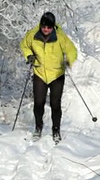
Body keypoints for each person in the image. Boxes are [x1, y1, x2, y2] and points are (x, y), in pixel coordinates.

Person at [20, 11, 78, 143]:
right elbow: (24, 45)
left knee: (55, 104)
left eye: (49, 27)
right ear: (41, 25)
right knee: (38, 103)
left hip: (57, 74)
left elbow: (72, 50)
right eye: (44, 26)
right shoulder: (32, 36)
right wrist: (29, 55)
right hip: (40, 72)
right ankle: (38, 128)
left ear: (53, 27)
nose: (46, 29)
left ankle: (56, 131)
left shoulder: (60, 37)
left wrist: (69, 60)